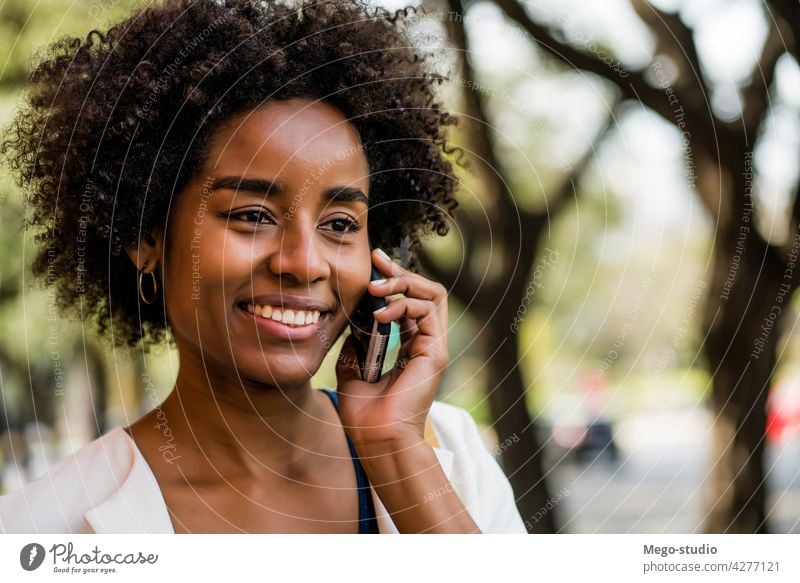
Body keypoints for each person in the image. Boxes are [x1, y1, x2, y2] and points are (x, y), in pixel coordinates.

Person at [0, 0, 526, 534]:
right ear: (145, 236)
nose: (303, 263)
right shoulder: (36, 531)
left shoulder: (449, 460)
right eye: (252, 215)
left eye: (341, 224)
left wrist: (394, 454)